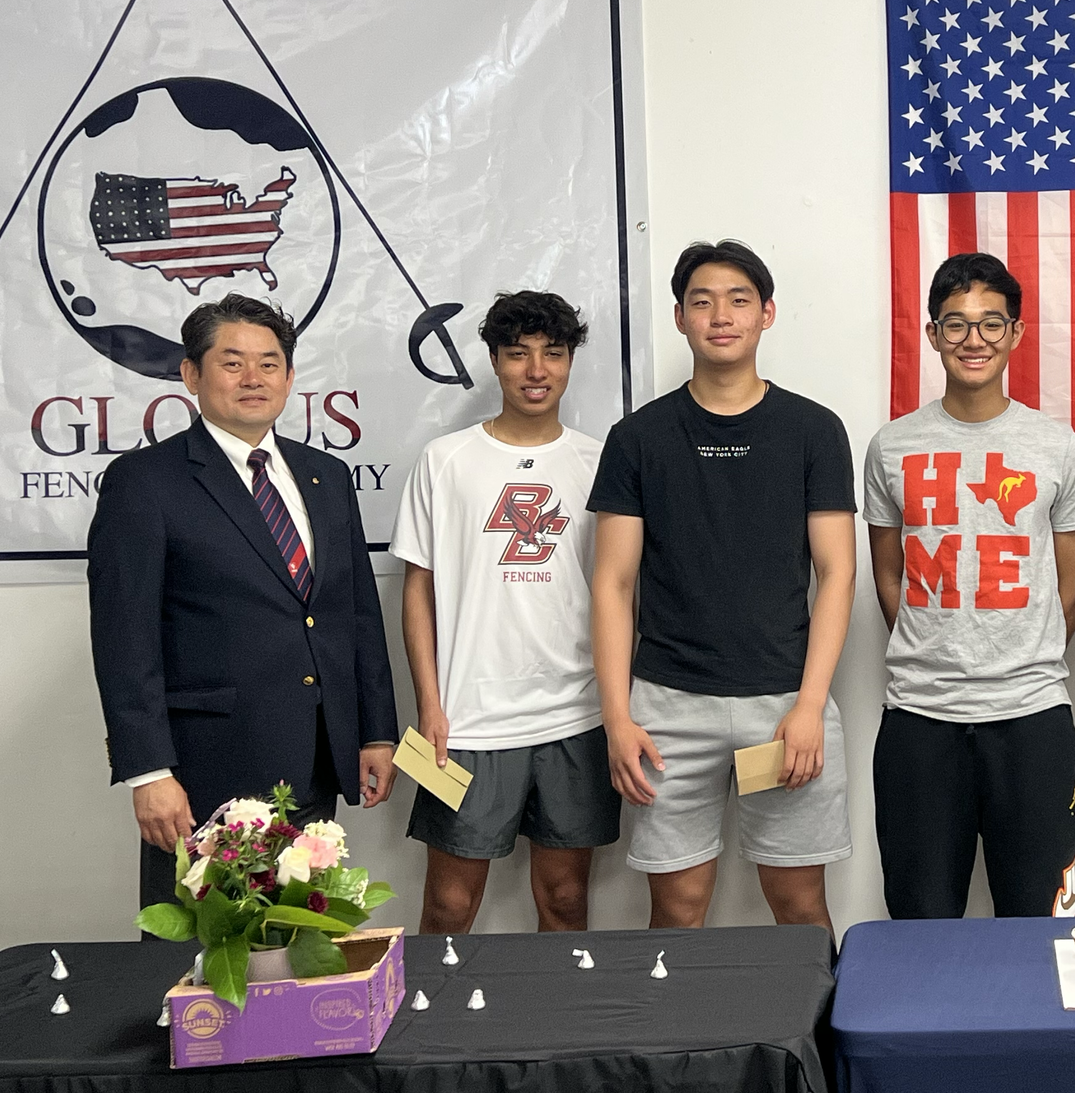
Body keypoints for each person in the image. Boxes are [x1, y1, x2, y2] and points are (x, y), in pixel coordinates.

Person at [87, 293, 398, 909]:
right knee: (201, 955)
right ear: (190, 374)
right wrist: (148, 772)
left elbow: (354, 612)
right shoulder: (146, 482)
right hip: (205, 766)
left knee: (300, 938)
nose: (253, 378)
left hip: (314, 755)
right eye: (232, 362)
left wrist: (376, 732)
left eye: (270, 362)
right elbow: (125, 638)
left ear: (288, 375)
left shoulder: (325, 476)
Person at [588, 239, 857, 930]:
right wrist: (618, 717)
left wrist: (810, 704)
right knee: (676, 908)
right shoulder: (638, 437)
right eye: (702, 301)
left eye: (739, 300)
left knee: (798, 904)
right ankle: (678, 1044)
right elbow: (614, 584)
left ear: (767, 313)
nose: (720, 315)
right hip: (668, 708)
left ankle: (810, 1043)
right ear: (679, 317)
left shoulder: (813, 430)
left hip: (784, 704)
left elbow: (837, 573)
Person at [863, 252, 1075, 918]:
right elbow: (889, 575)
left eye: (991, 323)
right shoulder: (890, 446)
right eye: (957, 324)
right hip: (919, 718)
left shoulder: (1058, 446)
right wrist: (936, 646)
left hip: (1032, 715)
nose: (975, 340)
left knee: (1047, 920)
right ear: (933, 334)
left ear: (1016, 334)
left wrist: (1017, 651)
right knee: (920, 917)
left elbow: (1072, 590)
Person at [394, 291, 613, 936]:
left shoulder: (599, 462)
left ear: (571, 362)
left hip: (575, 715)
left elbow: (620, 589)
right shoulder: (446, 460)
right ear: (494, 361)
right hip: (466, 723)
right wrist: (429, 704)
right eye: (518, 354)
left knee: (566, 900)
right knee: (449, 908)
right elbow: (418, 592)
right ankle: (429, 1029)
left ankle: (556, 1031)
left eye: (553, 353)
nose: (536, 370)